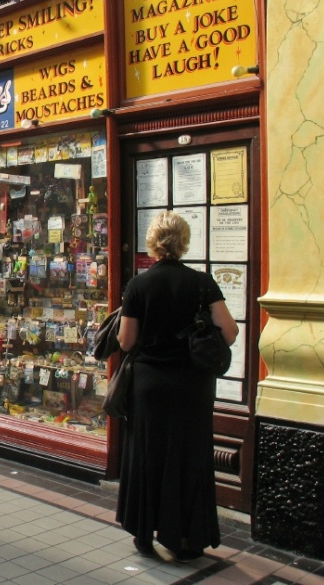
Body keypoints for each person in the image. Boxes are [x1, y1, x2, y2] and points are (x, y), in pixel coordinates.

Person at [116, 210, 238, 562]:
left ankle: (144, 532)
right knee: (190, 455)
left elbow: (126, 341)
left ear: (153, 243)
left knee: (146, 454)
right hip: (193, 385)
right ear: (184, 242)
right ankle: (188, 537)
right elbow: (230, 332)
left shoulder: (138, 285)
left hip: (150, 385)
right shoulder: (202, 283)